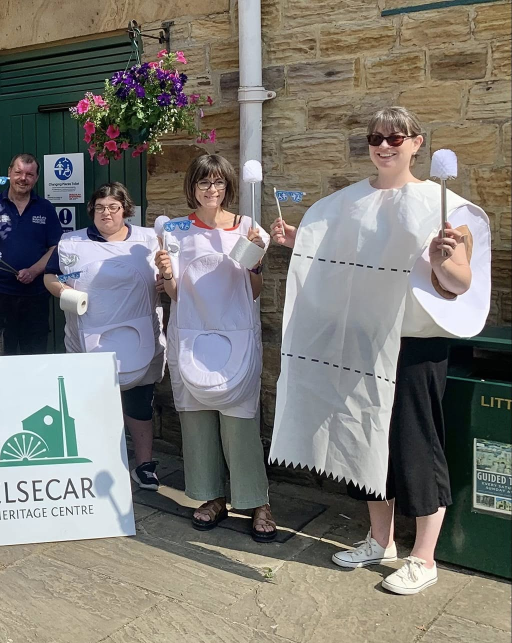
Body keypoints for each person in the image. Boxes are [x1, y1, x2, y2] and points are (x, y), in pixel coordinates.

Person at [270, 106, 491, 594]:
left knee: (416, 445)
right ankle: (380, 540)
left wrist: (445, 261)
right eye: (376, 137)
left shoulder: (446, 209)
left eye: (396, 137)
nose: (384, 145)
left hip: (414, 346)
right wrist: (296, 243)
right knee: (361, 436)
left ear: (417, 143)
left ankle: (425, 557)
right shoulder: (347, 205)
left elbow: (460, 286)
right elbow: (335, 265)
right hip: (362, 342)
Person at [155, 155, 276, 541]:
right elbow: (175, 294)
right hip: (191, 332)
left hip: (235, 331)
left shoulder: (248, 229)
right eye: (204, 183)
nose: (211, 190)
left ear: (229, 187)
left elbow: (253, 291)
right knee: (197, 418)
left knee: (240, 422)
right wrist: (167, 274)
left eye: (219, 183)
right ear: (192, 187)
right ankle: (211, 497)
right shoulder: (176, 231)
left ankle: (258, 500)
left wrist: (255, 261)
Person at [42, 183, 166, 490]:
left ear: (125, 209)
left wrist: (165, 282)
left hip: (138, 334)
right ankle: (96, 460)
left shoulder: (148, 240)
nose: (106, 213)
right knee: (91, 403)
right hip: (88, 333)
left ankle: (144, 465)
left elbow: (166, 273)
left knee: (139, 401)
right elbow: (50, 276)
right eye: (99, 207)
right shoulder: (71, 242)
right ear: (91, 211)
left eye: (113, 207)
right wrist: (64, 291)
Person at [0, 153, 61, 356]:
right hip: (0, 294)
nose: (23, 178)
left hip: (36, 295)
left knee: (35, 352)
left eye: (29, 174)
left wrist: (33, 271)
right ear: (9, 173)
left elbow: (56, 248)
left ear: (36, 178)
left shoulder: (45, 208)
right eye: (18, 172)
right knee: (0, 353)